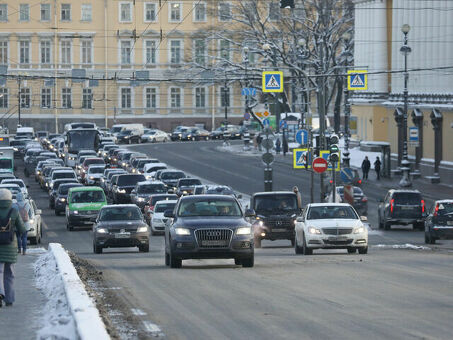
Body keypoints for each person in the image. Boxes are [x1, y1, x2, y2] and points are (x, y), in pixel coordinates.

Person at [0, 189, 26, 307]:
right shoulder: (14, 211)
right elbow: (21, 229)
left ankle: (0, 294)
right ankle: (9, 299)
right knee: (9, 274)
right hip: (10, 247)